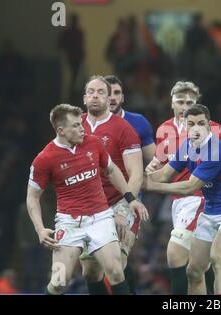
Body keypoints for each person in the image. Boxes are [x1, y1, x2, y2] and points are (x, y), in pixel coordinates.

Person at [26, 104, 147, 295]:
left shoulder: (93, 143)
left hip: (101, 217)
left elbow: (112, 170)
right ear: (61, 131)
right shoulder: (45, 158)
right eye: (75, 125)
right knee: (59, 282)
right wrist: (40, 229)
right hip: (69, 223)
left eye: (81, 123)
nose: (82, 128)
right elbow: (32, 197)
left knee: (115, 270)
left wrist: (130, 198)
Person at [145, 81, 221, 294]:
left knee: (175, 255)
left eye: (190, 101)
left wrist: (217, 172)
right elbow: (161, 165)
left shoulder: (213, 128)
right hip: (177, 199)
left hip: (200, 196)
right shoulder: (165, 129)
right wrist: (148, 171)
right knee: (196, 268)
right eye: (180, 101)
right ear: (171, 103)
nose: (185, 105)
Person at [79, 76, 148, 295]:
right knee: (90, 271)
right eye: (91, 91)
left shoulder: (124, 128)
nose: (96, 96)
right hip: (90, 207)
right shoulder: (75, 125)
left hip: (120, 202)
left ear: (109, 97)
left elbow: (136, 173)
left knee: (115, 266)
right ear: (84, 97)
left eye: (101, 92)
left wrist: (125, 208)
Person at [104, 75, 155, 164]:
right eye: (108, 93)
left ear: (122, 98)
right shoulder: (86, 124)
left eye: (116, 93)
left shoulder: (139, 122)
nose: (112, 97)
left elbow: (154, 164)